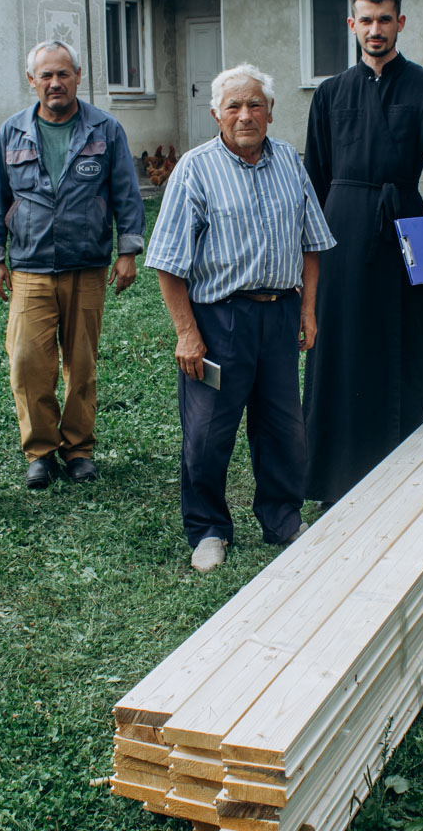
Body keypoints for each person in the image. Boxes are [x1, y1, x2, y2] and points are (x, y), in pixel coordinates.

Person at [146, 65, 336, 572]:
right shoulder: (195, 169)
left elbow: (312, 243)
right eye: (234, 106)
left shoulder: (289, 162)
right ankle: (208, 529)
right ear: (217, 114)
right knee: (207, 432)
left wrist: (308, 310)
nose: (245, 115)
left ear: (271, 111)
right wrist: (187, 333)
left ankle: (283, 520)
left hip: (280, 315)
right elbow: (167, 262)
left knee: (283, 428)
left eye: (255, 105)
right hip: (219, 322)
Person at [302, 0, 423, 507]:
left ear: (400, 23)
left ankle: (404, 462)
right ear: (352, 24)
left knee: (404, 338)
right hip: (340, 229)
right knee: (339, 341)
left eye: (385, 19)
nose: (376, 29)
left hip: (407, 225)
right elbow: (315, 178)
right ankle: (331, 473)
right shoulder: (330, 93)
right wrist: (306, 251)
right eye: (366, 20)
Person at [0, 40, 146, 490]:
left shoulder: (105, 129)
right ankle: (40, 452)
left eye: (63, 74)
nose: (55, 83)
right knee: (27, 363)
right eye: (46, 75)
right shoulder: (12, 131)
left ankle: (78, 450)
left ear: (77, 76)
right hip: (29, 267)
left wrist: (127, 251)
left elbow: (126, 191)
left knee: (81, 364)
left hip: (86, 265)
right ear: (31, 80)